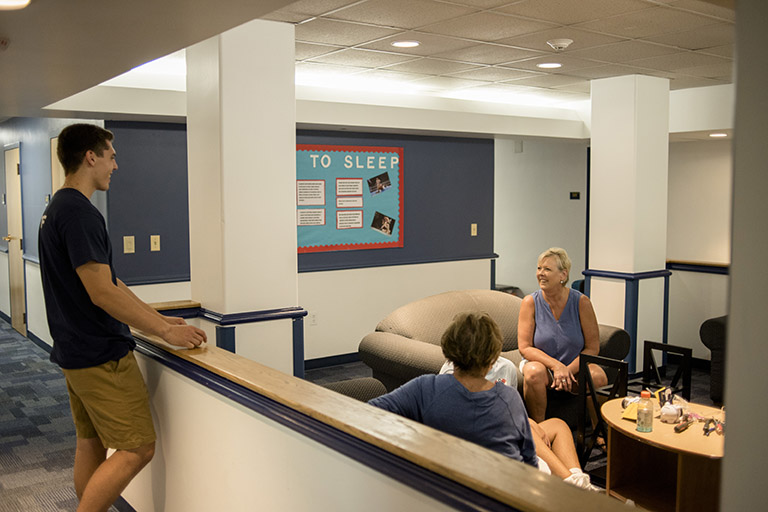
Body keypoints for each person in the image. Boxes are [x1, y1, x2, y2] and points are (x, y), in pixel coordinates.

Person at [38, 124, 208, 512]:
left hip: (73, 352)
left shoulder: (57, 209)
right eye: (112, 156)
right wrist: (163, 331)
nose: (116, 165)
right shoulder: (80, 214)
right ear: (91, 157)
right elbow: (101, 293)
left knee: (91, 442)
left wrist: (156, 316)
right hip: (100, 356)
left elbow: (109, 280)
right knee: (137, 448)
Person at [369, 312, 599, 490]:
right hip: (499, 489)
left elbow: (370, 411)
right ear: (493, 356)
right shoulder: (507, 399)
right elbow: (527, 465)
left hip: (443, 485)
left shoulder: (424, 387)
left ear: (448, 347)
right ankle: (577, 486)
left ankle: (576, 484)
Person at [517, 247, 607, 423]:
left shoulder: (581, 302)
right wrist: (556, 367)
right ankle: (541, 430)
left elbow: (592, 347)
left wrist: (566, 370)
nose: (540, 274)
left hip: (574, 367)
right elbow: (525, 347)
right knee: (533, 372)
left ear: (563, 275)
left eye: (547, 269)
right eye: (539, 268)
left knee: (598, 376)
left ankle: (600, 432)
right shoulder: (530, 302)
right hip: (544, 367)